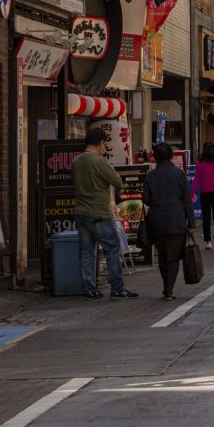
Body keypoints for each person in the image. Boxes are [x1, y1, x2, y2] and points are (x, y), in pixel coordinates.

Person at [71, 126, 138, 301]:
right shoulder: (100, 162)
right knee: (112, 249)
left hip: (81, 212)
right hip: (100, 213)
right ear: (101, 143)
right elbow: (117, 181)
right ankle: (117, 289)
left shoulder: (76, 162)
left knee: (86, 252)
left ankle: (89, 289)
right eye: (104, 144)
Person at [143, 143, 196, 300]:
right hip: (176, 219)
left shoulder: (150, 176)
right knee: (173, 257)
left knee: (162, 256)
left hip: (157, 221)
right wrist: (191, 223)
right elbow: (187, 199)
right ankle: (169, 290)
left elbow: (146, 199)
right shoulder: (179, 174)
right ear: (171, 155)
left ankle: (166, 287)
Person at [191, 141, 214, 250]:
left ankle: (208, 242)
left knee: (206, 217)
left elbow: (196, 179)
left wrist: (192, 193)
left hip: (205, 193)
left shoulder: (200, 162)